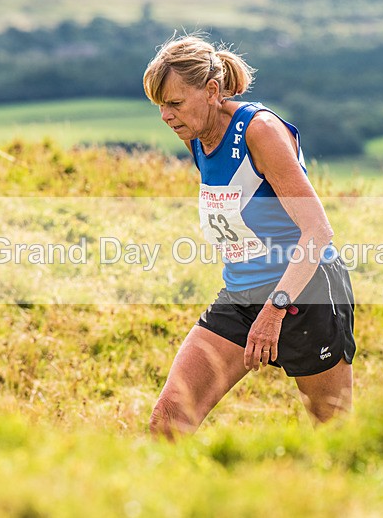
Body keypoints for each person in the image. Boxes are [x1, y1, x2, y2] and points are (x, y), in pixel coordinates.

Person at [142, 34, 356, 439]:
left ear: (211, 91)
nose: (166, 116)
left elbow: (318, 231)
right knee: (168, 421)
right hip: (242, 296)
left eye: (174, 103)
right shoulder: (195, 134)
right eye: (160, 106)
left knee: (334, 435)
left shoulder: (260, 131)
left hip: (305, 294)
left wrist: (274, 311)